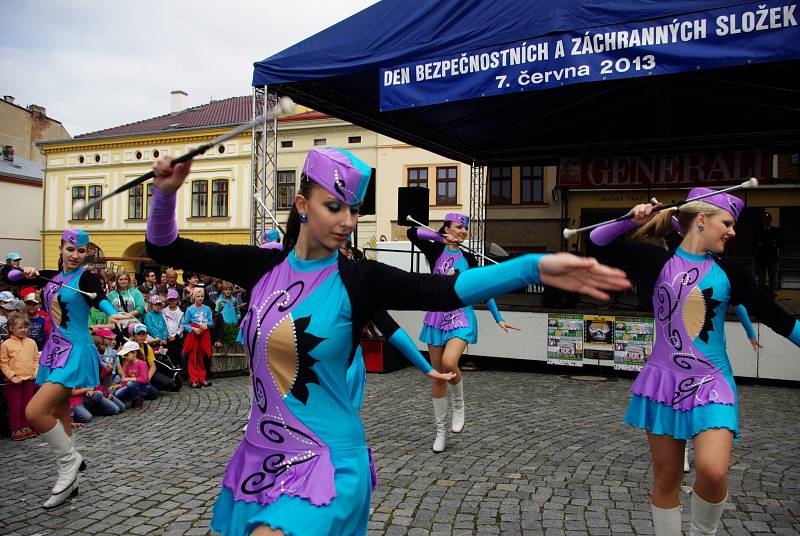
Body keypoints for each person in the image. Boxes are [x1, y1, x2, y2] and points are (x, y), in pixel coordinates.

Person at [145, 146, 628, 536]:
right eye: (334, 207)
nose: (347, 221)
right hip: (260, 455)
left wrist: (531, 267)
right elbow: (167, 247)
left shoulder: (359, 279)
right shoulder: (261, 268)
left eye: (353, 210)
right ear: (301, 205)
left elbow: (443, 292)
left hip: (325, 461)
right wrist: (165, 194)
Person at [589, 190, 800, 536]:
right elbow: (598, 245)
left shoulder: (730, 273)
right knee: (668, 478)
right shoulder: (656, 262)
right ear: (702, 219)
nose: (732, 232)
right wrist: (630, 219)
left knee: (713, 471)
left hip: (714, 382)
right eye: (727, 223)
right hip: (664, 382)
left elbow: (780, 319)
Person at [7, 229, 130, 508]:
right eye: (70, 249)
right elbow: (9, 276)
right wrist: (21, 271)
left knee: (35, 411)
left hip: (74, 351)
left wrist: (113, 313)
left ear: (87, 253)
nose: (76, 255)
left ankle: (70, 461)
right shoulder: (52, 274)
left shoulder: (85, 278)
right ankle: (71, 481)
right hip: (53, 350)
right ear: (61, 248)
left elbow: (99, 296)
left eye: (82, 251)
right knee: (62, 414)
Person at [407, 215, 520, 453]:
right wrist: (439, 237)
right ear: (447, 228)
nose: (463, 231)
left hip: (461, 316)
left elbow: (485, 288)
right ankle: (440, 432)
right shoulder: (435, 251)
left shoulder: (469, 258)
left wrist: (498, 318)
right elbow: (412, 233)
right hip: (437, 316)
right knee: (438, 376)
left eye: (465, 228)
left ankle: (459, 403)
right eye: (458, 227)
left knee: (449, 363)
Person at [0, 312, 39, 440]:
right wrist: (12, 376)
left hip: (29, 378)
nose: (23, 330)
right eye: (20, 327)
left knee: (27, 404)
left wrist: (35, 371)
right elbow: (3, 363)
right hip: (14, 381)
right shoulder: (6, 344)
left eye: (25, 327)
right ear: (11, 328)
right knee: (15, 406)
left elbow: (36, 359)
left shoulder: (31, 342)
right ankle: (16, 428)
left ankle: (26, 426)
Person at [182, 287, 213, 388]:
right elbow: (185, 324)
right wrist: (193, 329)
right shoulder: (189, 309)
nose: (200, 298)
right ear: (194, 297)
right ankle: (193, 380)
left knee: (201, 357)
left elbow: (211, 322)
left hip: (203, 336)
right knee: (192, 358)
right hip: (193, 336)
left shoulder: (207, 309)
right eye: (198, 296)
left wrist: (206, 324)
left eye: (202, 296)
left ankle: (202, 378)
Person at [111, 340, 149, 410]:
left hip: (142, 387)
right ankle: (132, 399)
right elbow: (126, 381)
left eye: (126, 354)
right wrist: (118, 385)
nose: (124, 357)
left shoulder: (142, 363)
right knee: (116, 394)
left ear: (134, 353)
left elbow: (145, 379)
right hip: (131, 386)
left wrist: (129, 379)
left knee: (131, 383)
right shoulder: (128, 365)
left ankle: (138, 400)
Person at [754, 211, 782, 296]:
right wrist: (762, 243)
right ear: (762, 220)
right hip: (761, 257)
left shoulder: (776, 230)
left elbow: (781, 243)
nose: (766, 221)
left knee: (772, 276)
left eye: (767, 219)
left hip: (772, 257)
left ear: (770, 220)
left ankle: (771, 292)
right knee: (761, 277)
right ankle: (761, 293)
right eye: (764, 219)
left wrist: (773, 243)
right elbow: (753, 243)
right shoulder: (758, 231)